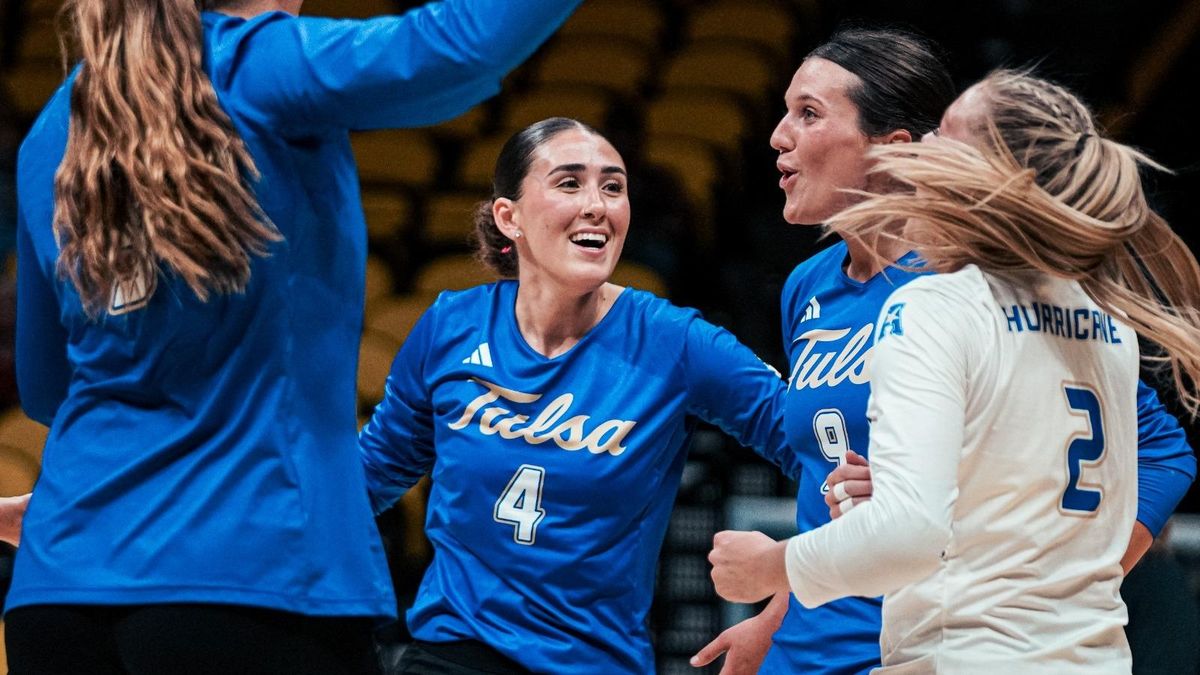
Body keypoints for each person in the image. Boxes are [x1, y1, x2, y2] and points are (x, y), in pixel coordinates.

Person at [4, 0, 582, 672]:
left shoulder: (51, 127)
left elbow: (48, 386)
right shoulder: (257, 65)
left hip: (60, 585)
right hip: (253, 576)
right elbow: (459, 45)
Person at [691, 29, 1196, 675]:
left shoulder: (957, 291)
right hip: (836, 631)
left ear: (895, 151)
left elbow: (1156, 450)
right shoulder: (809, 287)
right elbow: (828, 478)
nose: (779, 135)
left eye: (809, 114)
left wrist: (1065, 577)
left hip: (942, 632)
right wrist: (780, 608)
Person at [357, 117, 799, 674]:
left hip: (595, 661)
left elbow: (827, 456)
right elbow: (367, 478)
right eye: (570, 183)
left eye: (613, 187)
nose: (597, 205)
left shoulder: (675, 341)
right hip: (450, 655)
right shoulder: (451, 325)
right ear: (508, 217)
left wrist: (788, 602)